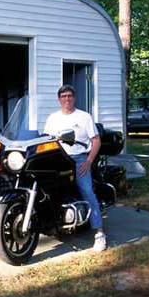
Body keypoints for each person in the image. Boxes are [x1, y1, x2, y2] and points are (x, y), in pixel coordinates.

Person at [43, 84, 107, 252]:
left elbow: (96, 140)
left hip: (79, 158)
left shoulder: (84, 117)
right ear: (59, 100)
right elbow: (46, 140)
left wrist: (89, 161)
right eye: (63, 97)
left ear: (74, 98)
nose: (67, 99)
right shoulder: (52, 118)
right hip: (58, 158)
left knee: (87, 191)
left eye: (70, 96)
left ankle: (99, 233)